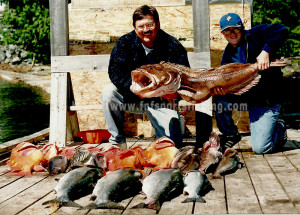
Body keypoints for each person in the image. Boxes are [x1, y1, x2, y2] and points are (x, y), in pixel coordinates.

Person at [101, 5, 190, 149]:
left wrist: (175, 94)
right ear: (135, 28)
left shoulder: (173, 46)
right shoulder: (124, 43)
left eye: (150, 25)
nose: (146, 30)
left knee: (172, 147)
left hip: (161, 100)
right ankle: (118, 142)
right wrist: (135, 88)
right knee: (108, 92)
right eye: (141, 26)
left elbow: (184, 77)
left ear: (158, 24)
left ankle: (164, 143)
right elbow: (115, 72)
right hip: (132, 97)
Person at [213, 13, 288, 154]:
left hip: (266, 101)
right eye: (227, 31)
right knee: (219, 99)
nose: (232, 34)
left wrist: (266, 51)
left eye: (235, 29)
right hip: (247, 98)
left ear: (242, 28)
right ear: (223, 33)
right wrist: (223, 89)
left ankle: (280, 128)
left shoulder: (256, 35)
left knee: (260, 148)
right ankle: (230, 134)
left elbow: (281, 29)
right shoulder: (228, 53)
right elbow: (228, 79)